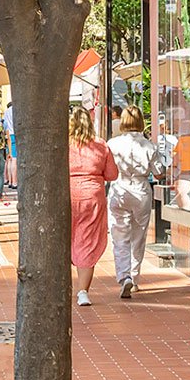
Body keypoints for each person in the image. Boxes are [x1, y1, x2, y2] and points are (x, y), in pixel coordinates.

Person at [68, 104, 119, 306]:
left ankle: (65, 287)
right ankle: (83, 292)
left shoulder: (63, 144)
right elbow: (112, 175)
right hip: (93, 196)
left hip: (68, 194)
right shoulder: (100, 145)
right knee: (87, 241)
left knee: (66, 238)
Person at [106, 107, 159, 298]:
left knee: (119, 235)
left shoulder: (112, 144)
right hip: (141, 190)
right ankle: (135, 277)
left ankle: (124, 276)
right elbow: (159, 172)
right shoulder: (149, 146)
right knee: (138, 236)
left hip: (119, 189)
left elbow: (107, 169)